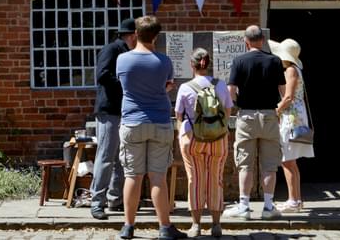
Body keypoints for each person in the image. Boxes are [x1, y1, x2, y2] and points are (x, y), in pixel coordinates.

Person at [116, 16, 186, 240]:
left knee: (132, 176)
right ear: (156, 36)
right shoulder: (164, 61)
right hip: (159, 121)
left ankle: (128, 226)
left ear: (136, 33)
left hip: (132, 121)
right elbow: (164, 87)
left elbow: (126, 85)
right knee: (158, 178)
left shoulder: (123, 60)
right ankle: (165, 227)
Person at [223, 25, 286, 220]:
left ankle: (244, 206)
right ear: (263, 40)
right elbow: (283, 93)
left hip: (247, 116)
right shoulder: (274, 61)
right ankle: (268, 206)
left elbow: (230, 92)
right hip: (269, 115)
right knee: (270, 165)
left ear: (246, 41)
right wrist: (278, 110)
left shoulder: (239, 61)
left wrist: (237, 105)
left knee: (245, 164)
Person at [175, 48, 233, 237]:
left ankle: (196, 225)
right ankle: (216, 225)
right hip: (218, 139)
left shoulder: (185, 87)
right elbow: (227, 112)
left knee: (195, 180)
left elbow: (178, 116)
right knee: (216, 179)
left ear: (192, 65)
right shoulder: (221, 85)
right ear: (208, 65)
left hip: (193, 139)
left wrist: (181, 136)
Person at [90, 18, 137, 220]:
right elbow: (101, 75)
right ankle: (96, 202)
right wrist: (124, 83)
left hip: (122, 110)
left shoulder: (127, 52)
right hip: (109, 109)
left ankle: (114, 198)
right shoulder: (112, 49)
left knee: (120, 158)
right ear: (132, 35)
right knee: (106, 156)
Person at [270, 39, 314, 213]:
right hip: (297, 116)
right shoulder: (296, 70)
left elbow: (288, 98)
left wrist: (275, 112)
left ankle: (293, 200)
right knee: (291, 162)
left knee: (287, 160)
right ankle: (296, 199)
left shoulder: (290, 70)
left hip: (291, 118)